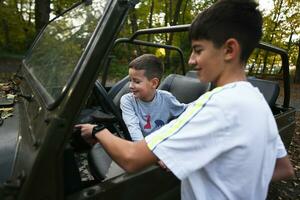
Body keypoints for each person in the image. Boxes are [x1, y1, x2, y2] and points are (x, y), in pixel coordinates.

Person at [76, 0, 294, 199]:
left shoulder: (213, 106)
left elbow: (132, 158)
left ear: (229, 50)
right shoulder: (256, 100)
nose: (191, 60)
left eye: (198, 50)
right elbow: (283, 167)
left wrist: (97, 131)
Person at [120, 54, 187, 141]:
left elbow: (186, 112)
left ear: (154, 83)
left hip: (160, 144)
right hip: (141, 146)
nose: (130, 86)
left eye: (136, 81)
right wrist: (142, 150)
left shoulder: (167, 98)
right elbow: (133, 129)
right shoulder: (128, 101)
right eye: (130, 80)